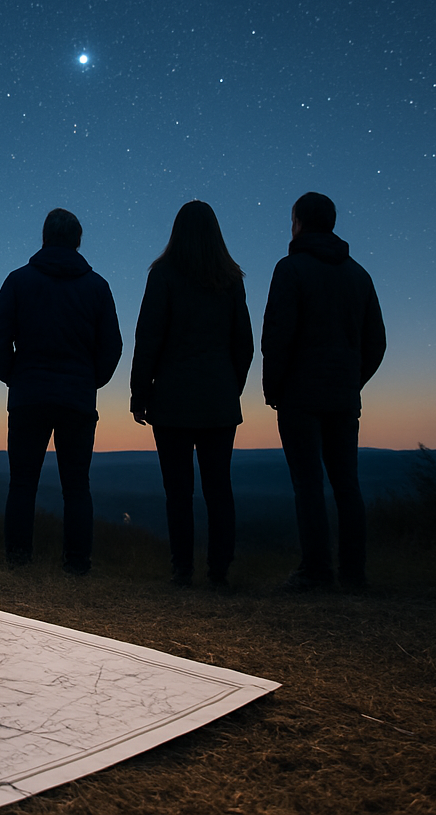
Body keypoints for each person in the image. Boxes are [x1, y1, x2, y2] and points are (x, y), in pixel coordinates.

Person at [0, 208, 122, 574]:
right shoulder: (97, 287)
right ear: (77, 240)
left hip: (29, 395)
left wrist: (13, 375)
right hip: (76, 399)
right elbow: (112, 347)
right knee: (77, 485)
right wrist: (91, 381)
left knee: (22, 481)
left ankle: (17, 558)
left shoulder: (19, 281)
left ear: (44, 237)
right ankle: (77, 564)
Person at [262, 192, 386, 592]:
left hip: (299, 395)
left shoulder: (291, 269)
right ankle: (354, 574)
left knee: (309, 483)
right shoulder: (359, 275)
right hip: (343, 396)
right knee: (346, 483)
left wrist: (274, 385)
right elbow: (377, 343)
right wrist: (353, 379)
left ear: (298, 221)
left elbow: (277, 335)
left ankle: (316, 571)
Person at [130, 201, 254, 589]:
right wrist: (232, 387)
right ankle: (219, 571)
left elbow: (148, 338)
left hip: (171, 400)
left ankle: (182, 568)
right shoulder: (231, 279)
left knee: (178, 491)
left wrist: (140, 393)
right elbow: (244, 344)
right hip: (218, 399)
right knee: (220, 489)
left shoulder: (163, 274)